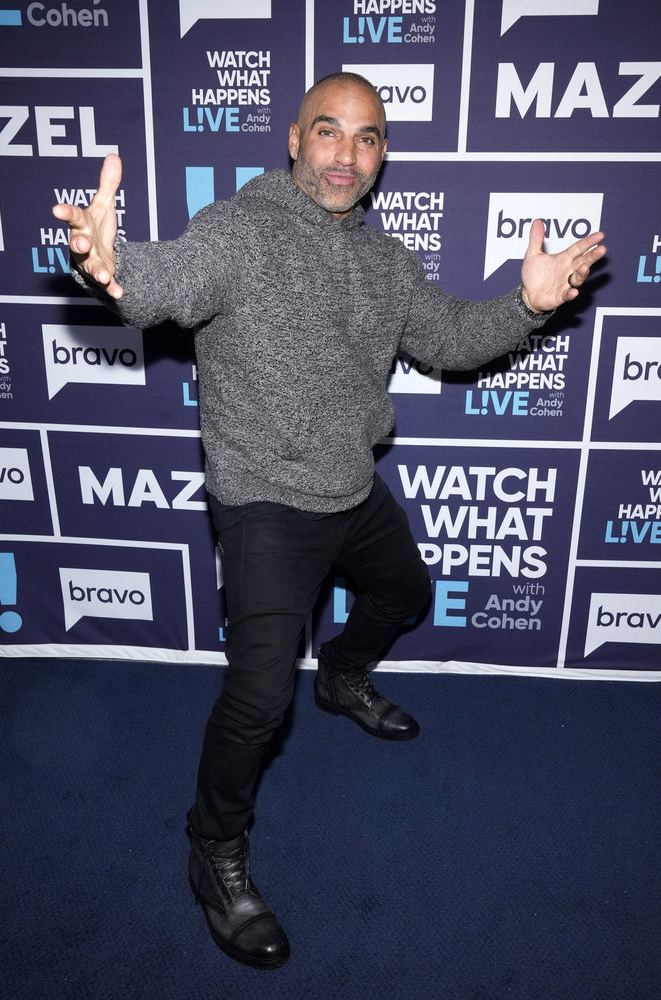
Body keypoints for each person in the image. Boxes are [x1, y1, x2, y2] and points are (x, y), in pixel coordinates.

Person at [53, 72, 606, 971]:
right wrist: (118, 268)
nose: (346, 154)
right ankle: (214, 851)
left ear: (381, 156)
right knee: (257, 697)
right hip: (265, 497)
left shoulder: (386, 261)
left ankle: (341, 676)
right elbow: (168, 282)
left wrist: (525, 307)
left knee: (406, 592)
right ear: (293, 141)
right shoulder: (244, 227)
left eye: (367, 139)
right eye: (328, 132)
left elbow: (446, 337)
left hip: (351, 486)